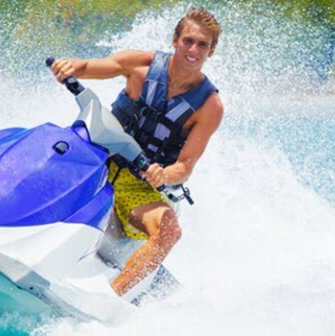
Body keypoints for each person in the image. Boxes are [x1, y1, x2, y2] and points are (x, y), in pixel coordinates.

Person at [50, 7, 223, 296]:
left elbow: (185, 167)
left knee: (170, 232)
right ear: (175, 40)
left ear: (211, 51)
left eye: (202, 45)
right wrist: (70, 67)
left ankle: (111, 299)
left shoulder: (209, 107)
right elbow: (90, 67)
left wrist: (163, 174)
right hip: (97, 157)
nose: (193, 50)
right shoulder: (140, 65)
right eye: (188, 41)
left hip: (139, 183)